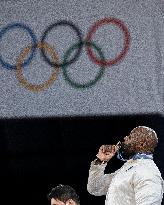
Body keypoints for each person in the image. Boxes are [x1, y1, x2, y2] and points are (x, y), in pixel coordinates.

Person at [87, 126, 164, 205]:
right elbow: (95, 188)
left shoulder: (147, 172)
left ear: (141, 144)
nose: (125, 138)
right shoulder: (130, 168)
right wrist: (101, 161)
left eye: (130, 137)